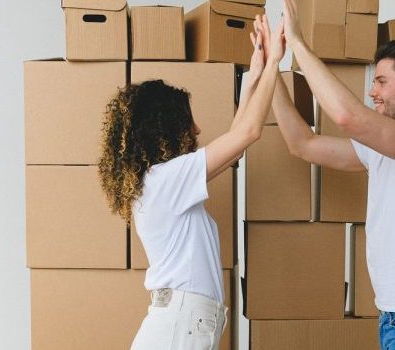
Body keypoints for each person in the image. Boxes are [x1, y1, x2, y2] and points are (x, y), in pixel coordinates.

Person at [273, 1, 395, 349]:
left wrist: (298, 44)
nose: (372, 91)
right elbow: (303, 145)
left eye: (380, 81)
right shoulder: (383, 148)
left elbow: (349, 117)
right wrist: (271, 68)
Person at [97, 15, 284, 350]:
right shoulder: (165, 180)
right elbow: (249, 132)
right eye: (189, 119)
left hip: (180, 323)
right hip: (180, 325)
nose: (197, 129)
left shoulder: (162, 181)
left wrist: (255, 75)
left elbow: (232, 148)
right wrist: (274, 64)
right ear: (167, 126)